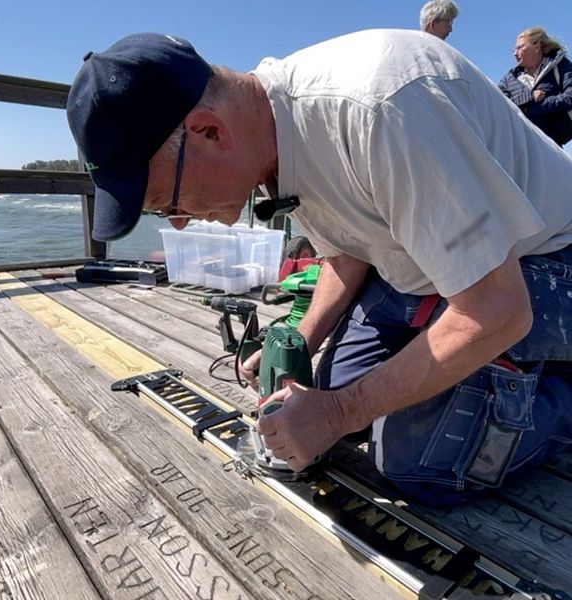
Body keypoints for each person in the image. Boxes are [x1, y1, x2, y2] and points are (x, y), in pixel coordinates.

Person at [67, 30, 572, 506]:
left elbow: (496, 308)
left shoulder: (383, 110)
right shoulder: (271, 139)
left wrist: (338, 412)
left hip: (540, 259)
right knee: (318, 400)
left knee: (420, 464)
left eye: (165, 203)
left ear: (207, 131)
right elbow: (345, 256)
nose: (177, 225)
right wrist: (298, 339)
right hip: (421, 271)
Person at [499, 27, 572, 146]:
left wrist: (530, 109)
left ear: (537, 46)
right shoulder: (509, 79)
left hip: (551, 146)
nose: (514, 53)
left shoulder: (561, 66)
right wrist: (529, 97)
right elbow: (500, 105)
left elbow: (570, 97)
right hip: (517, 146)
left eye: (520, 47)